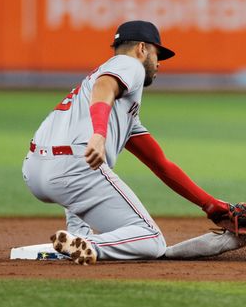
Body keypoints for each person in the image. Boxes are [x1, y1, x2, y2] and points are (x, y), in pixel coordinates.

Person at [22, 20, 230, 265]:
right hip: (74, 167)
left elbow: (160, 164)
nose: (159, 62)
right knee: (151, 240)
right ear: (142, 48)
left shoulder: (122, 110)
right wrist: (98, 134)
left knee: (88, 178)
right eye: (156, 53)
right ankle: (89, 245)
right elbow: (106, 85)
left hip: (35, 170)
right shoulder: (129, 65)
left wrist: (211, 204)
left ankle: (78, 237)